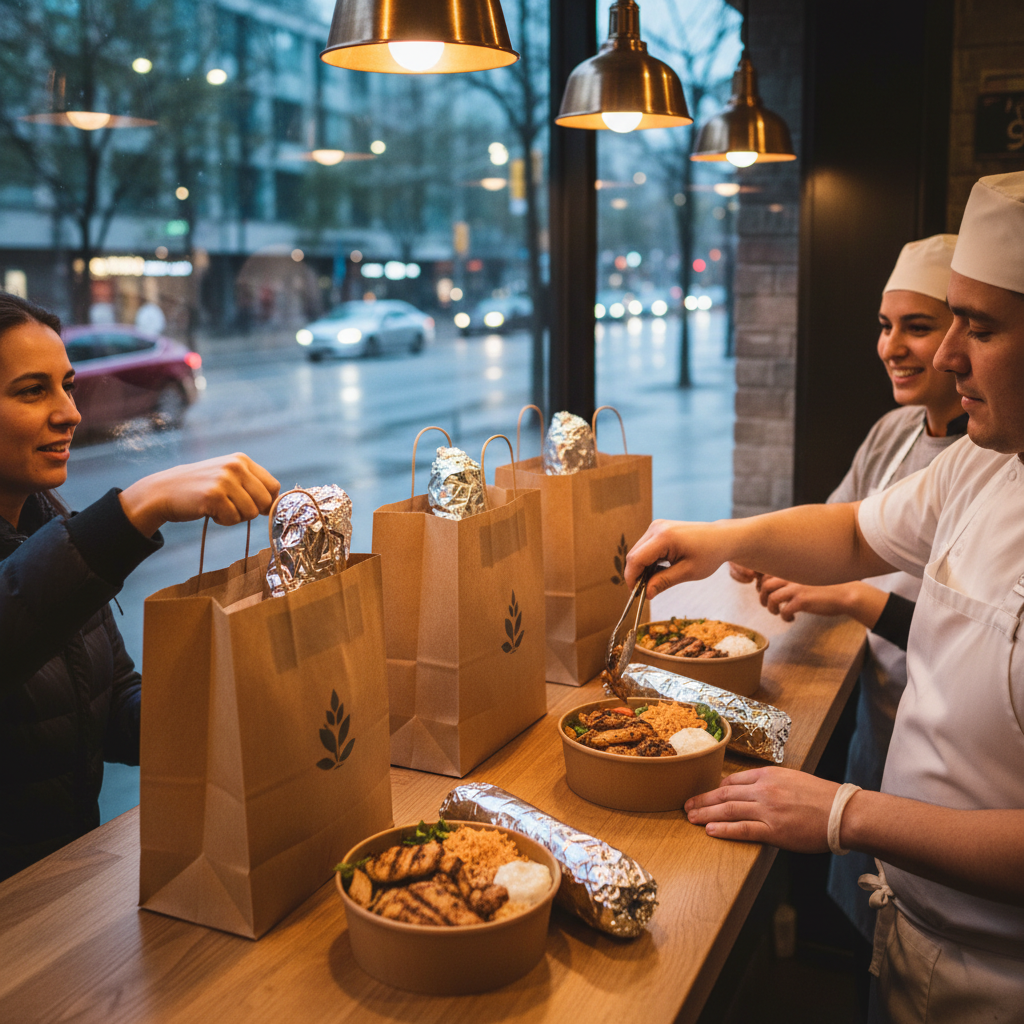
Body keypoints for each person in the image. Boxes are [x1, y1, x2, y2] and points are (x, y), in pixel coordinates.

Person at [625, 171, 1024, 1023]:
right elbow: (852, 532)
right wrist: (717, 538)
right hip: (915, 930)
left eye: (977, 327)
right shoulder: (986, 461)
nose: (949, 356)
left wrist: (845, 811)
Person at [731, 234, 963, 945]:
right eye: (886, 326)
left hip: (951, 737)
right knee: (881, 930)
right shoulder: (894, 432)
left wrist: (849, 597)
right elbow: (842, 536)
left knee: (928, 916)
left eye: (916, 327)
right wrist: (750, 545)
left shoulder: (982, 466)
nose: (890, 346)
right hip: (885, 712)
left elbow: (966, 635)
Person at [0, 292, 280, 881]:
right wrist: (139, 505)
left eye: (67, 386)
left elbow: (114, 709)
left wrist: (245, 699)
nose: (69, 413)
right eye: (32, 391)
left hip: (62, 895)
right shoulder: (73, 552)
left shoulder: (51, 531)